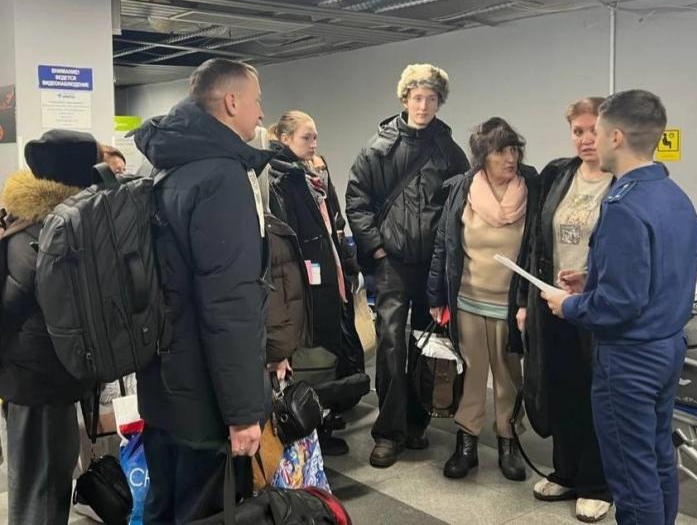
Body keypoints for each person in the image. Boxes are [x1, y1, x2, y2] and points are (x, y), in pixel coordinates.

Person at [540, 90, 697, 525]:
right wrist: (593, 280)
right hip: (667, 348)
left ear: (616, 137)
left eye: (597, 131)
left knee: (632, 476)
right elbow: (657, 275)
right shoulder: (675, 196)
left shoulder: (623, 206)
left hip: (630, 359)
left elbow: (618, 305)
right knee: (658, 458)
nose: (590, 140)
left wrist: (570, 304)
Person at [133, 58, 274, 523]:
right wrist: (244, 412)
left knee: (162, 505)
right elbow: (230, 303)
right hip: (205, 398)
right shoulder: (222, 178)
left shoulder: (164, 166)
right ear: (231, 102)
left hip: (163, 386)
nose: (261, 113)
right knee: (204, 510)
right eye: (256, 101)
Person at [346, 63, 469, 468]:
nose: (424, 105)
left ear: (439, 102)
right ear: (404, 99)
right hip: (393, 264)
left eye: (431, 98)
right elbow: (357, 200)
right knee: (391, 345)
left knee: (424, 343)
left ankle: (416, 423)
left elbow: (459, 205)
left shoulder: (449, 152)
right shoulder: (378, 148)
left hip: (431, 265)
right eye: (417, 97)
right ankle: (388, 432)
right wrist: (377, 248)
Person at [516, 97, 613, 522]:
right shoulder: (558, 174)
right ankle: (567, 472)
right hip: (552, 302)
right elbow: (535, 242)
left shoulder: (623, 182)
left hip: (596, 306)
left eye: (594, 130)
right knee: (560, 389)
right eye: (578, 131)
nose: (586, 139)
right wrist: (525, 302)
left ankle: (597, 483)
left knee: (596, 395)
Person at [427, 117, 538, 481]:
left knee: (509, 376)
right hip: (468, 300)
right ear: (483, 156)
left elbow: (537, 249)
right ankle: (467, 442)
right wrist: (436, 296)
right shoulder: (463, 189)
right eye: (500, 151)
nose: (510, 158)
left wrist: (528, 302)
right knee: (471, 375)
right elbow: (445, 244)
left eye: (514, 150)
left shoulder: (531, 188)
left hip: (511, 306)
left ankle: (508, 441)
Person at [0, 130, 97, 524]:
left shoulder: (31, 222)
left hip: (35, 377)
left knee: (45, 481)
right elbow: (15, 303)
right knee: (40, 487)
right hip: (40, 379)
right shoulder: (50, 231)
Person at [266, 110, 358, 455]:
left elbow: (333, 227)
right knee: (310, 356)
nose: (314, 143)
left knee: (327, 352)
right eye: (307, 137)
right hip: (305, 283)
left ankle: (322, 422)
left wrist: (347, 266)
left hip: (326, 275)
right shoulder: (282, 178)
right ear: (285, 138)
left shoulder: (311, 175)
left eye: (315, 136)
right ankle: (309, 430)